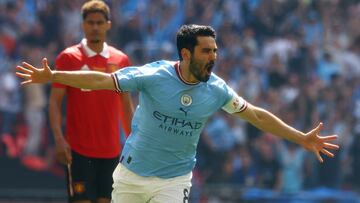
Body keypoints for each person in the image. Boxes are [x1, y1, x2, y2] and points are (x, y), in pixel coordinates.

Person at [16, 24, 339, 203]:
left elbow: (255, 115)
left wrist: (301, 138)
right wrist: (54, 76)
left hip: (173, 182)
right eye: (206, 51)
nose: (214, 56)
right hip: (130, 175)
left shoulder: (217, 90)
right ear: (186, 54)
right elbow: (102, 80)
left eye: (215, 50)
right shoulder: (154, 76)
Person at [49, 1, 134, 203]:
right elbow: (54, 103)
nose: (95, 27)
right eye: (90, 22)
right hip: (78, 151)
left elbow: (125, 105)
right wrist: (59, 139)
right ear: (83, 25)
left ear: (108, 25)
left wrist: (133, 143)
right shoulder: (68, 58)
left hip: (111, 151)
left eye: (99, 22)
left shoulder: (121, 60)